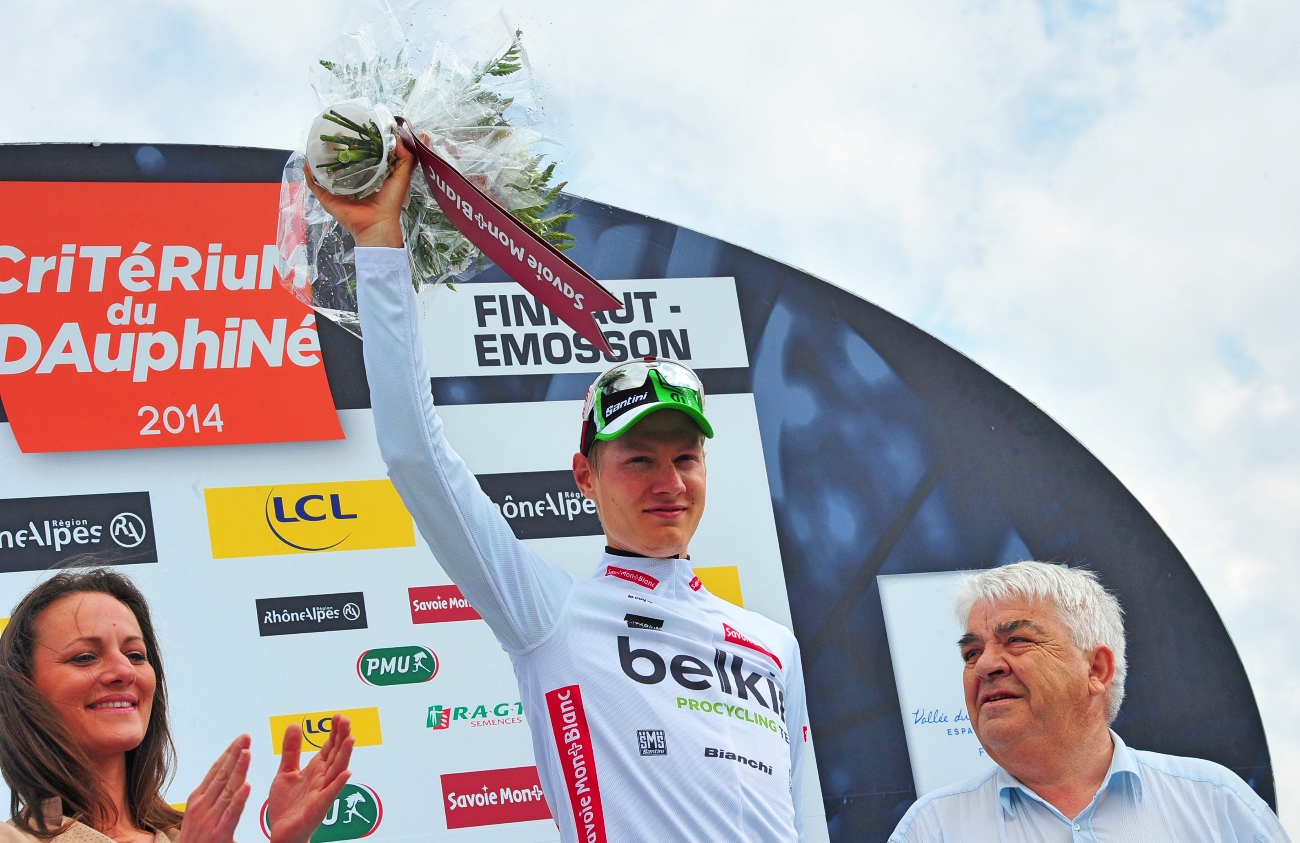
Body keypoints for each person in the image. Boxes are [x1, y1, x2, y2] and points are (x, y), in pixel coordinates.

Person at [305, 140, 811, 842]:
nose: (669, 483)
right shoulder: (552, 614)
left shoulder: (771, 646)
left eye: (685, 458)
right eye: (638, 460)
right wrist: (378, 242)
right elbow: (416, 456)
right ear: (586, 477)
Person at [889, 560, 1290, 842]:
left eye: (1017, 640)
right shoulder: (931, 831)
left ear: (1096, 669)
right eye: (971, 653)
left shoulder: (1216, 806)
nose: (986, 665)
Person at [0, 569, 355, 843]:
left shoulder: (185, 832)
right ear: (23, 690)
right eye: (85, 657)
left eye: (136, 654)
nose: (124, 670)